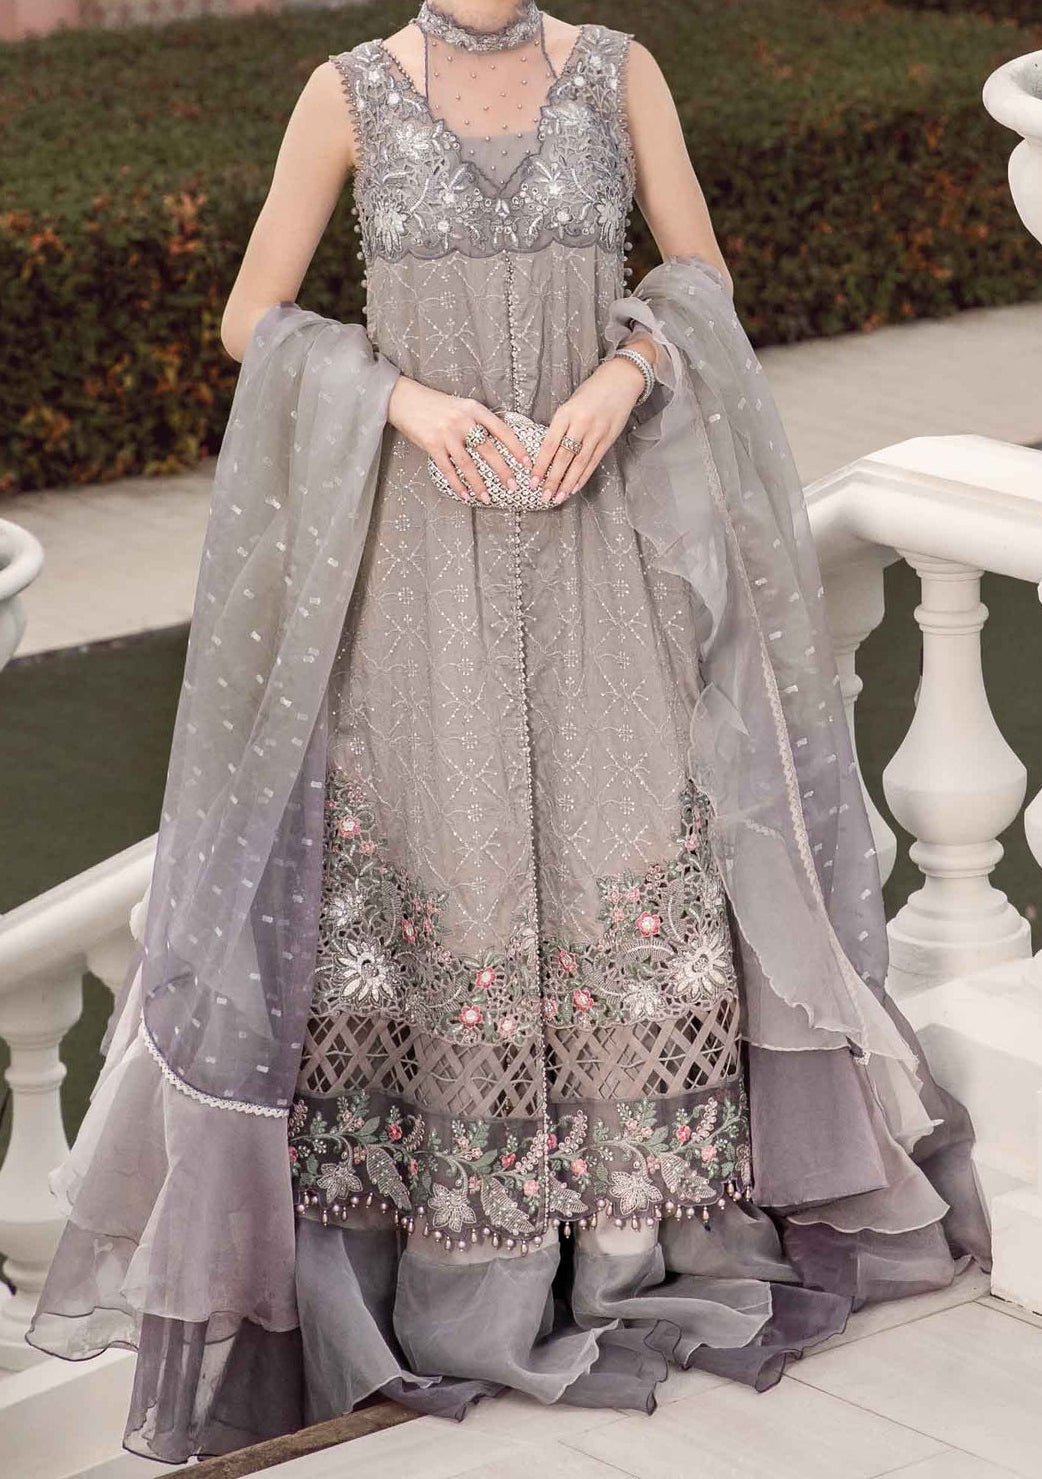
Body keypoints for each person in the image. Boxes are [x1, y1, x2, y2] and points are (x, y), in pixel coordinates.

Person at [26, 0, 991, 1463]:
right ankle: (456, 1280)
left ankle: (628, 1252)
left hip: (605, 545)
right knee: (454, 890)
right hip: (418, 567)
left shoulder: (616, 71)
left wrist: (628, 370)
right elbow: (249, 317)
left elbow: (700, 273)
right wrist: (401, 402)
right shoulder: (348, 93)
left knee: (631, 876)